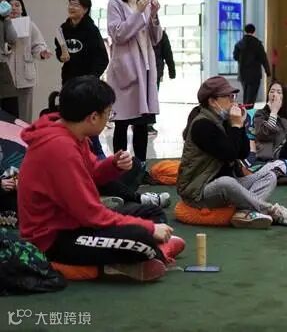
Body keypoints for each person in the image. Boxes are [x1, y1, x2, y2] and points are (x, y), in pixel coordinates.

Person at [18, 76, 182, 281]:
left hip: (75, 222)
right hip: (53, 239)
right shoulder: (60, 148)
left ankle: (134, 258)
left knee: (152, 212)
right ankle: (145, 255)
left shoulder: (71, 134)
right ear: (93, 117)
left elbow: (93, 171)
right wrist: (149, 229)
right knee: (142, 238)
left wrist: (113, 165)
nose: (109, 119)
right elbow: (91, 214)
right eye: (109, 113)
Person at [177, 76, 287, 228]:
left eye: (233, 96)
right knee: (226, 183)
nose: (233, 101)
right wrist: (235, 126)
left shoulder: (224, 119)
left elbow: (242, 153)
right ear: (212, 101)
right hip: (199, 190)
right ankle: (271, 211)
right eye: (228, 96)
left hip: (228, 183)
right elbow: (229, 154)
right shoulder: (202, 125)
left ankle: (245, 213)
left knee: (269, 175)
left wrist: (240, 125)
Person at [106, 0, 162, 163]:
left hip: (145, 70)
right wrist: (138, 13)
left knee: (141, 123)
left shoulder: (143, 5)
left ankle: (140, 167)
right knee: (122, 121)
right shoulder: (115, 3)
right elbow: (118, 34)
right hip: (126, 70)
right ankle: (119, 166)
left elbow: (156, 38)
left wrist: (153, 16)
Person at [55, 0, 109, 159]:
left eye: (76, 5)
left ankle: (98, 158)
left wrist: (91, 79)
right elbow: (60, 50)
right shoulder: (63, 29)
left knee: (87, 124)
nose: (72, 7)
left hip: (86, 86)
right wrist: (60, 56)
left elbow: (103, 58)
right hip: (68, 83)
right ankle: (74, 157)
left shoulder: (91, 30)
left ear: (85, 9)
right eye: (70, 3)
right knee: (70, 122)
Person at [0, 0, 50, 122]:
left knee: (24, 115)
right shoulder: (2, 25)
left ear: (22, 9)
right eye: (11, 5)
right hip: (6, 77)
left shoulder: (30, 25)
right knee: (7, 117)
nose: (14, 8)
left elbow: (38, 44)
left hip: (25, 77)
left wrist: (42, 52)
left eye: (17, 5)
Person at [233, 24, 270, 106]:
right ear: (254, 31)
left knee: (246, 94)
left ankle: (245, 110)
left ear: (245, 31)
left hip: (243, 73)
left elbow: (235, 57)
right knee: (252, 96)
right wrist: (268, 71)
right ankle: (248, 111)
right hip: (254, 74)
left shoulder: (239, 44)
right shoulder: (257, 44)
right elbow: (263, 58)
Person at [149, 29, 176, 136]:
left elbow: (167, 53)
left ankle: (146, 123)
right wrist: (171, 71)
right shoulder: (159, 33)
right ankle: (146, 124)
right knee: (151, 98)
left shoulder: (160, 33)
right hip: (151, 71)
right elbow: (168, 53)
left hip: (153, 71)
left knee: (149, 98)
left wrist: (172, 71)